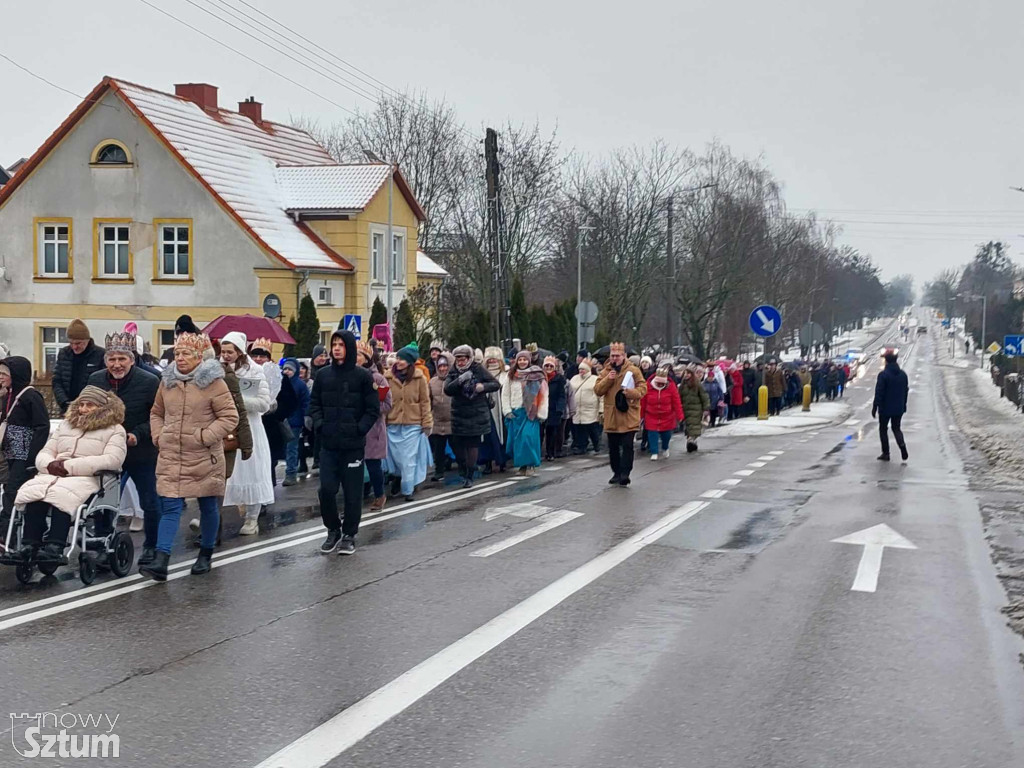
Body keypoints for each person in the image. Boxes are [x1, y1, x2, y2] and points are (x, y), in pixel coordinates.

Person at [143, 333, 238, 580]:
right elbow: (156, 412)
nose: (180, 358)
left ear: (199, 357)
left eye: (186, 354)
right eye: (177, 354)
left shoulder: (215, 383)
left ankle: (206, 553)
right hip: (172, 453)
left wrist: (204, 436)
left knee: (207, 503)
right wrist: (158, 436)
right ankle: (161, 559)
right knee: (170, 505)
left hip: (204, 455)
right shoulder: (167, 382)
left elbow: (230, 417)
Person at [3, 387, 126, 565]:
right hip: (55, 472)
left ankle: (55, 545)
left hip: (87, 476)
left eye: (89, 405)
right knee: (34, 494)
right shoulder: (66, 425)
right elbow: (46, 451)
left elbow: (112, 459)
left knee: (62, 495)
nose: (83, 409)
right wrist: (49, 464)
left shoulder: (115, 430)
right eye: (81, 404)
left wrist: (68, 466)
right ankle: (29, 545)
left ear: (102, 407)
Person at [87, 332, 161, 564]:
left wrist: (137, 435)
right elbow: (86, 412)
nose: (117, 364)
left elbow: (159, 417)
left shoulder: (150, 381)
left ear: (131, 359)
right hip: (108, 452)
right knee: (103, 500)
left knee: (149, 501)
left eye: (122, 359)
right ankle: (103, 543)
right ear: (105, 361)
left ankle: (152, 546)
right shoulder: (95, 380)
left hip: (141, 451)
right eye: (112, 359)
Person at [309, 330, 379, 555]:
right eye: (334, 344)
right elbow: (314, 405)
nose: (337, 348)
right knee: (326, 490)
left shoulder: (362, 376)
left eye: (341, 344)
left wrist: (359, 430)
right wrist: (320, 425)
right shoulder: (323, 375)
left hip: (352, 446)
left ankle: (350, 534)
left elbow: (372, 410)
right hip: (328, 444)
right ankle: (333, 529)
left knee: (352, 493)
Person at [220, 332, 274, 535]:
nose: (225, 355)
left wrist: (238, 400)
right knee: (224, 473)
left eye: (229, 352)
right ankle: (213, 517)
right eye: (223, 351)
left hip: (249, 426)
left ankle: (252, 518)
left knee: (251, 470)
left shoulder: (255, 371)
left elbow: (263, 403)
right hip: (225, 427)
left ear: (239, 352)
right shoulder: (216, 370)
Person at [0, 356, 49, 527]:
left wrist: (32, 455)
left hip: (24, 451)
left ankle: (7, 532)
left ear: (16, 374)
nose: (0, 377)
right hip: (10, 450)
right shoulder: (9, 394)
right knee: (8, 488)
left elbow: (42, 426)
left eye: (4, 373)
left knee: (13, 490)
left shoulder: (31, 396)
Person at [444, 345, 501, 488]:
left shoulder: (478, 368)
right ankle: (463, 468)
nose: (460, 363)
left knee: (472, 445)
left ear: (469, 358)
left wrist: (483, 387)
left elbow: (495, 384)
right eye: (458, 360)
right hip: (459, 413)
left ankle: (469, 474)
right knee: (458, 446)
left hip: (476, 413)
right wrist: (460, 380)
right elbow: (447, 389)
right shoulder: (454, 371)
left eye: (463, 360)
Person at [384, 343, 433, 502]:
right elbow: (382, 400)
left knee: (408, 458)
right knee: (396, 458)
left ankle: (408, 489)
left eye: (402, 359)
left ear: (410, 361)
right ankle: (398, 479)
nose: (398, 361)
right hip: (393, 423)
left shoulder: (419, 378)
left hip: (413, 424)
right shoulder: (388, 378)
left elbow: (425, 402)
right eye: (397, 358)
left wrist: (427, 423)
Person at [594, 342, 647, 486]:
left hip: (628, 414)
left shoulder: (633, 371)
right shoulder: (606, 371)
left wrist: (631, 393)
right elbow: (598, 390)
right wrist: (608, 379)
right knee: (613, 448)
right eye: (613, 356)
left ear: (624, 356)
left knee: (628, 445)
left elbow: (643, 388)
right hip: (612, 416)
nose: (615, 358)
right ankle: (616, 472)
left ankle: (625, 473)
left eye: (618, 356)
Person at [355, 340, 392, 511]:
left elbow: (386, 404)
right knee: (354, 465)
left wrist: (369, 409)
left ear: (367, 358)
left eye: (359, 356)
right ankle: (356, 497)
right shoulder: (350, 376)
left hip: (373, 429)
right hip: (354, 429)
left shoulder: (378, 379)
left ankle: (380, 495)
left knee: (373, 465)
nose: (355, 359)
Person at [502, 350, 547, 476]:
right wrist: (507, 410)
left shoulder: (536, 375)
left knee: (528, 438)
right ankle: (522, 465)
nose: (522, 362)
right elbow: (505, 394)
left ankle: (531, 464)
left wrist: (542, 412)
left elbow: (542, 394)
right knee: (518, 441)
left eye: (525, 359)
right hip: (516, 412)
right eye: (520, 359)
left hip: (531, 412)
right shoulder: (511, 375)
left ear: (529, 360)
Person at [52, 319, 106, 414]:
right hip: (67, 407)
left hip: (91, 408)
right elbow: (57, 381)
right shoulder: (64, 353)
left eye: (78, 343)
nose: (74, 347)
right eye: (71, 343)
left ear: (87, 340)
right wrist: (64, 402)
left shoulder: (100, 354)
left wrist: (89, 403)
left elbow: (103, 383)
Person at [873, 351, 909, 462]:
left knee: (883, 429)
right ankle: (902, 447)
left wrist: (875, 407)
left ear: (887, 361)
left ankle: (886, 453)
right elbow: (906, 391)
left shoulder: (883, 375)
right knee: (896, 428)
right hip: (898, 408)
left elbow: (879, 392)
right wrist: (904, 405)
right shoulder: (903, 374)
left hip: (885, 408)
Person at [641, 364, 682, 460]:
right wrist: (640, 416)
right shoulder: (648, 386)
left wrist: (680, 416)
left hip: (667, 415)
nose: (660, 385)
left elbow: (676, 402)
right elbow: (643, 402)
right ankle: (654, 451)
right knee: (652, 434)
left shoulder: (671, 387)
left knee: (666, 435)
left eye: (662, 383)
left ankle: (665, 447)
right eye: (658, 383)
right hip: (651, 414)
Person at [281, 358, 309, 486]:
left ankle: (291, 473)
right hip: (281, 420)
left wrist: (305, 418)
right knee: (283, 448)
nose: (287, 372)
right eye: (285, 369)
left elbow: (305, 403)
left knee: (291, 448)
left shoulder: (300, 385)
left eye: (290, 369)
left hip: (294, 422)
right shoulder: (280, 382)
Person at [479, 347, 508, 474]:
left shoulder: (506, 374)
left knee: (502, 435)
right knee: (486, 437)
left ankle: (502, 461)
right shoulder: (482, 374)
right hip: (486, 410)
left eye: (494, 359)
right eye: (489, 359)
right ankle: (487, 463)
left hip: (501, 410)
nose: (492, 362)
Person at [428, 353, 453, 482]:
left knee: (457, 447)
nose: (443, 368)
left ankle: (464, 469)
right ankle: (439, 471)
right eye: (440, 366)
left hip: (452, 419)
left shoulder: (455, 379)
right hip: (437, 420)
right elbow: (428, 401)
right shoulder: (432, 382)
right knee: (438, 450)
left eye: (445, 365)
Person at [569, 360, 602, 454]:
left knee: (591, 428)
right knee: (580, 429)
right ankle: (582, 446)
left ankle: (596, 444)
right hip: (577, 409)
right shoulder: (574, 378)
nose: (581, 371)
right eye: (580, 369)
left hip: (590, 409)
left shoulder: (595, 379)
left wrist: (601, 409)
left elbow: (601, 395)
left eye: (583, 369)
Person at [679, 368, 711, 452]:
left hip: (696, 409)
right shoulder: (682, 386)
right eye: (685, 373)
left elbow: (704, 396)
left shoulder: (697, 384)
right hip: (686, 409)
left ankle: (691, 440)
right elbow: (679, 397)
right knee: (689, 426)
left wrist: (706, 408)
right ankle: (692, 441)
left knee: (694, 426)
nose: (686, 375)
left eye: (688, 373)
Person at [542, 356, 567, 461]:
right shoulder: (540, 378)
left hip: (553, 409)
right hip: (542, 408)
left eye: (550, 366)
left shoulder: (559, 379)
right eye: (546, 365)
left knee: (551, 432)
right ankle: (539, 453)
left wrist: (560, 409)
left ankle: (550, 452)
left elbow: (562, 395)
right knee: (539, 432)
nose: (548, 368)